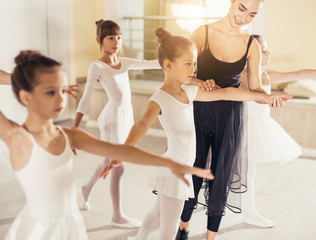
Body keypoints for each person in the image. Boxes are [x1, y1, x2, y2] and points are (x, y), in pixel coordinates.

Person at [1, 50, 214, 240]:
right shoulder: (17, 137)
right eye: (50, 92)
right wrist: (17, 79)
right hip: (38, 230)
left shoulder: (71, 135)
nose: (60, 99)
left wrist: (169, 164)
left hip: (70, 223)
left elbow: (120, 150)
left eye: (62, 90)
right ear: (25, 96)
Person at [101, 27, 291, 240]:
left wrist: (265, 98)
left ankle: (138, 238)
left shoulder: (189, 92)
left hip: (179, 168)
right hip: (176, 172)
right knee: (167, 229)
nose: (194, 68)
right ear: (168, 65)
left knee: (156, 215)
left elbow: (227, 93)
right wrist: (123, 151)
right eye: (188, 64)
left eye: (194, 63)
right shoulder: (160, 98)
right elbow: (142, 124)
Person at [177, 0, 273, 239]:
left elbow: (257, 90)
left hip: (231, 116)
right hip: (199, 111)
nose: (244, 17)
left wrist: (271, 99)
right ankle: (183, 227)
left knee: (222, 174)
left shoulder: (252, 46)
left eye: (251, 14)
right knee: (194, 170)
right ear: (231, 1)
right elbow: (181, 74)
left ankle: (211, 236)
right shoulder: (202, 34)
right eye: (241, 8)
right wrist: (201, 82)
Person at [238, 34, 316, 227]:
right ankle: (235, 207)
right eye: (263, 50)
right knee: (234, 168)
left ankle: (249, 210)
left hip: (261, 125)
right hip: (245, 126)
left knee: (248, 171)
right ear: (251, 54)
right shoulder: (242, 77)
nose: (268, 53)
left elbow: (299, 74)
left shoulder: (266, 75)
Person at [72, 19, 162, 228]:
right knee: (118, 166)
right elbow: (85, 98)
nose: (116, 41)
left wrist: (171, 54)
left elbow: (152, 64)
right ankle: (117, 216)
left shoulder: (126, 62)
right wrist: (75, 128)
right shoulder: (97, 66)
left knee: (108, 161)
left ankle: (86, 189)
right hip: (112, 119)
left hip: (125, 117)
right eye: (111, 37)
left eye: (119, 37)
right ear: (99, 40)